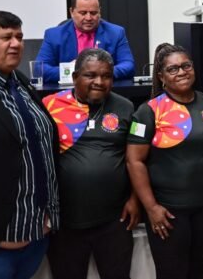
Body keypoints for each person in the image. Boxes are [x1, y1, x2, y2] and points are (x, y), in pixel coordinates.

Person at [127, 43, 203, 279]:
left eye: (186, 66)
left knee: (199, 272)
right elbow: (134, 161)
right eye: (173, 69)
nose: (181, 72)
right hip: (168, 212)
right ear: (161, 77)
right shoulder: (147, 111)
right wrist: (151, 208)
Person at [43, 48, 139, 279]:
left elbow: (136, 158)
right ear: (75, 77)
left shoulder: (126, 107)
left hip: (114, 219)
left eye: (106, 76)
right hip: (65, 220)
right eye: (90, 75)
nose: (99, 82)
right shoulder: (50, 105)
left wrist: (135, 199)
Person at [0, 11, 59, 278]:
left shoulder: (22, 84)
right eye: (6, 37)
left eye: (19, 36)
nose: (16, 44)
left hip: (36, 235)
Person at [36, 0, 135, 82]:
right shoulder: (54, 35)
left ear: (99, 12)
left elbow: (128, 65)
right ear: (71, 12)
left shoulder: (116, 33)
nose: (88, 18)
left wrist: (101, 72)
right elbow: (40, 69)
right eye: (83, 13)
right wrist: (73, 71)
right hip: (68, 90)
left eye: (93, 13)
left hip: (104, 89)